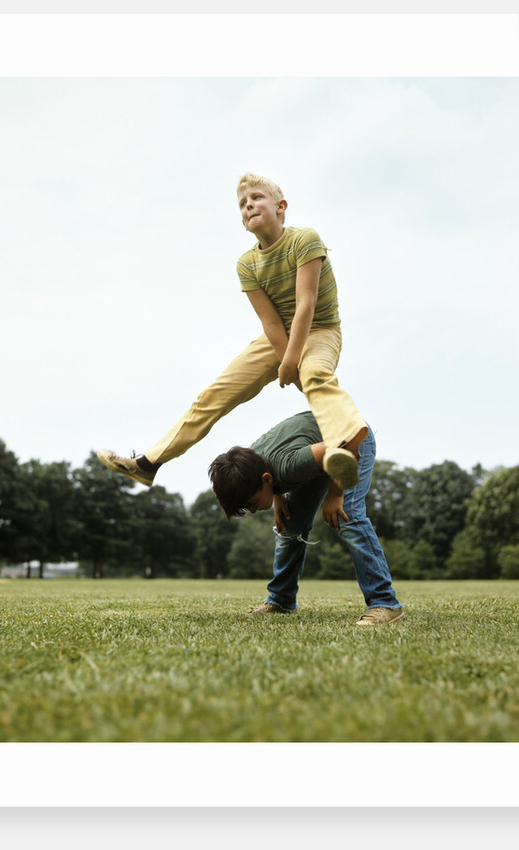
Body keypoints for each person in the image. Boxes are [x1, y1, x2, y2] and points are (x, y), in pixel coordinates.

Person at [98, 173, 368, 493]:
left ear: (281, 206)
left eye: (256, 197)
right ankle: (149, 463)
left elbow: (306, 304)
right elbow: (270, 323)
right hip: (277, 336)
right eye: (242, 204)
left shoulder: (304, 239)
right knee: (214, 395)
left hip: (320, 329)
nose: (248, 205)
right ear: (242, 221)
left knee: (315, 374)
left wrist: (295, 361)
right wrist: (286, 361)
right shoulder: (247, 264)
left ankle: (346, 442)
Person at [209, 411, 404, 626]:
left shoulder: (290, 465)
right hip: (321, 451)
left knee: (348, 516)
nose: (254, 511)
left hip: (352, 439)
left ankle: (385, 603)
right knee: (289, 524)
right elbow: (273, 465)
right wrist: (278, 497)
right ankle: (281, 601)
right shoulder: (252, 464)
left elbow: (343, 448)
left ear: (266, 479)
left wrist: (335, 494)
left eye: (253, 504)